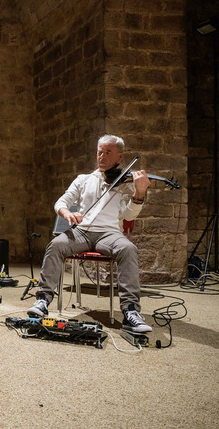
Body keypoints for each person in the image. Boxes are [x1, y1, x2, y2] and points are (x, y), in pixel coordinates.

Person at [27, 134, 153, 333]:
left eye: (108, 152)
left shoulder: (126, 182)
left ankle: (130, 311)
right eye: (99, 152)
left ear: (120, 157)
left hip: (109, 234)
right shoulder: (84, 179)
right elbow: (61, 202)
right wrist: (67, 212)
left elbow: (129, 214)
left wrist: (139, 193)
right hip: (82, 232)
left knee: (128, 249)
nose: (101, 157)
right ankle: (43, 300)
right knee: (56, 244)